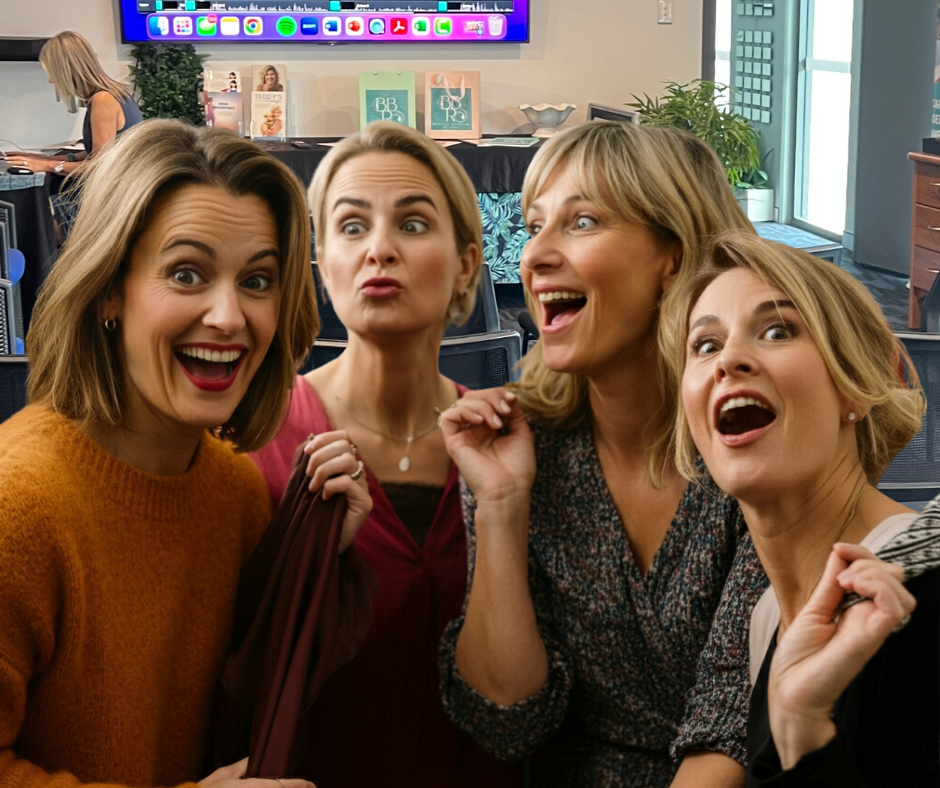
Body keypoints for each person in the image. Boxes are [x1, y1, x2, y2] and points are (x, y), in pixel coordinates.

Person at [437, 121, 767, 787]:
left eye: (582, 221)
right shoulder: (518, 442)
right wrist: (501, 504)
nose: (534, 255)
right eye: (534, 226)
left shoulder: (753, 431)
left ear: (673, 258)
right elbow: (508, 723)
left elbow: (733, 724)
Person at [0, 119, 320, 788]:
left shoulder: (238, 496)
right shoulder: (19, 505)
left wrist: (315, 552)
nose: (229, 317)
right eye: (186, 273)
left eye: (257, 280)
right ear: (109, 289)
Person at [249, 121, 521, 787]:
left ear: (466, 262)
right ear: (322, 259)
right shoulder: (256, 441)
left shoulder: (509, 449)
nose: (378, 249)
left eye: (413, 224)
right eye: (351, 226)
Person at [664, 232, 939, 786]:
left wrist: (806, 736)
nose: (728, 361)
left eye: (777, 331)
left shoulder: (923, 590)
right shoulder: (766, 614)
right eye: (706, 345)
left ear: (857, 383)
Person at [6, 31, 143, 239]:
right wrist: (39, 159)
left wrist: (49, 166)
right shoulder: (116, 93)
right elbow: (98, 152)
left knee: (35, 224)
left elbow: (98, 167)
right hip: (123, 192)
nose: (51, 80)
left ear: (66, 70)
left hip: (116, 200)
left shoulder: (103, 101)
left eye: (52, 72)